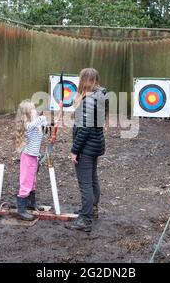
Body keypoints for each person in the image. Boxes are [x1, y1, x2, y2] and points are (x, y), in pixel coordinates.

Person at [65, 68, 108, 232]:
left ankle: (85, 219)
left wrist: (75, 150)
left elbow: (84, 129)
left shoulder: (88, 100)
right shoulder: (99, 95)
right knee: (92, 178)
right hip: (96, 144)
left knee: (86, 184)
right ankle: (91, 210)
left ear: (83, 80)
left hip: (86, 146)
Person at [14, 100, 48, 221]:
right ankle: (21, 210)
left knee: (32, 181)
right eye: (33, 109)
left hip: (34, 156)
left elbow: (44, 133)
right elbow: (33, 124)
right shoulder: (27, 125)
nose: (36, 111)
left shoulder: (35, 124)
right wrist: (43, 117)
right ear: (27, 113)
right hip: (27, 157)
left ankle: (31, 203)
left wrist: (47, 125)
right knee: (26, 182)